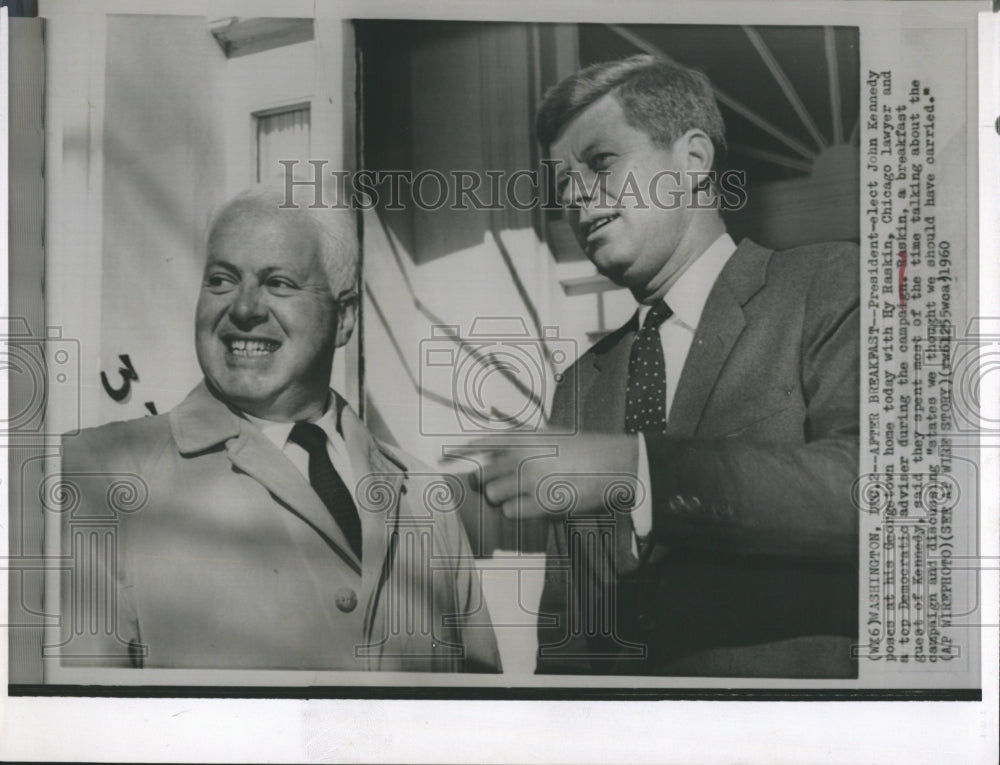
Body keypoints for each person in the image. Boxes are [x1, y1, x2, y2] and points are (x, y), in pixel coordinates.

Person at [477, 55, 859, 677]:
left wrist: (638, 469)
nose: (576, 198)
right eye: (563, 183)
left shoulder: (824, 286)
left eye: (600, 163)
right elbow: (573, 627)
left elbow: (881, 499)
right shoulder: (579, 386)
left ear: (694, 160)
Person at [58, 185, 500, 673]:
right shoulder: (96, 475)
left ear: (346, 316)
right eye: (222, 281)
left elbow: (478, 714)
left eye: (279, 283)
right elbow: (80, 721)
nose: (244, 308)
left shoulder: (425, 496)